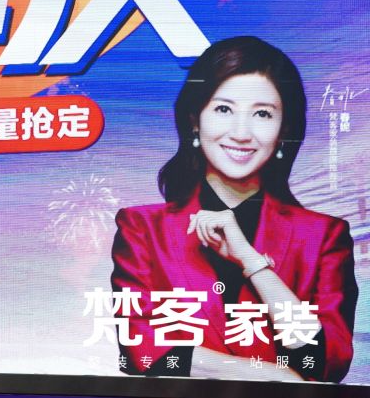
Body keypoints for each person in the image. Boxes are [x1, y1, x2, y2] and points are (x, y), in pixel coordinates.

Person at [110, 36, 356, 382]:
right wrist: (271, 375)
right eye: (224, 109)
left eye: (262, 114)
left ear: (284, 129)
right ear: (195, 119)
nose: (241, 133)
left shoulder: (325, 236)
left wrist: (251, 262)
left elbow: (325, 361)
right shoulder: (142, 228)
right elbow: (142, 351)